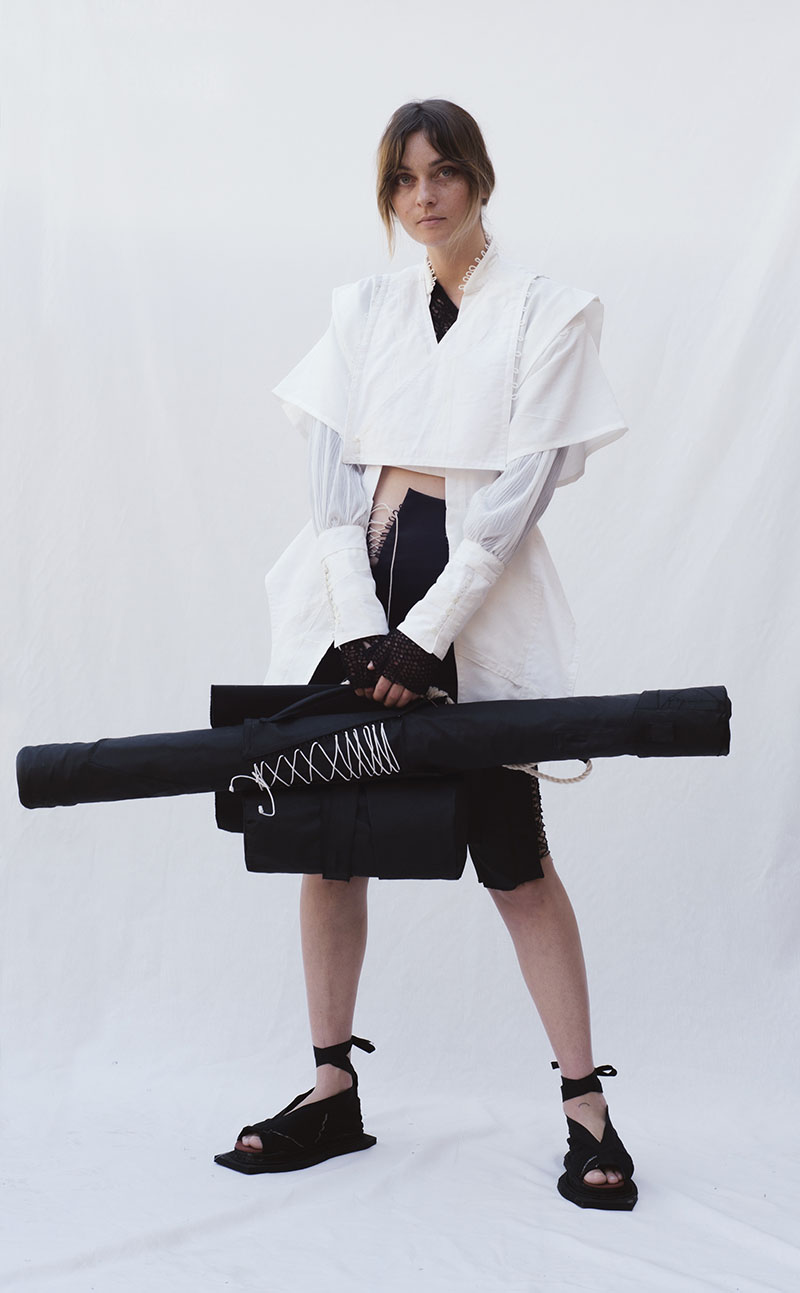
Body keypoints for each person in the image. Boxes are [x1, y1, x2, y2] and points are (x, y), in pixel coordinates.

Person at [214, 100, 638, 1210]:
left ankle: (586, 1107)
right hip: (352, 598)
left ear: (478, 178)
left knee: (514, 858)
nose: (423, 196)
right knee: (327, 844)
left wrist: (423, 637)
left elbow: (515, 496)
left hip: (467, 607)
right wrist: (363, 629)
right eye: (403, 180)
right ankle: (330, 1091)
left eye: (442, 172)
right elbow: (329, 484)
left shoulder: (545, 311)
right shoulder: (363, 308)